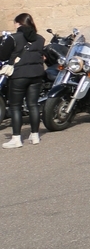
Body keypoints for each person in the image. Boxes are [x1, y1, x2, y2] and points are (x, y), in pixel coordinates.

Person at [2, 13, 46, 149]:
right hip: (37, 74)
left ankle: (16, 139)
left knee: (15, 106)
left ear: (19, 23)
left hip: (19, 75)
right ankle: (35, 135)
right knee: (33, 105)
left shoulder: (13, 38)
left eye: (15, 23)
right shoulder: (40, 38)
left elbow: (2, 55)